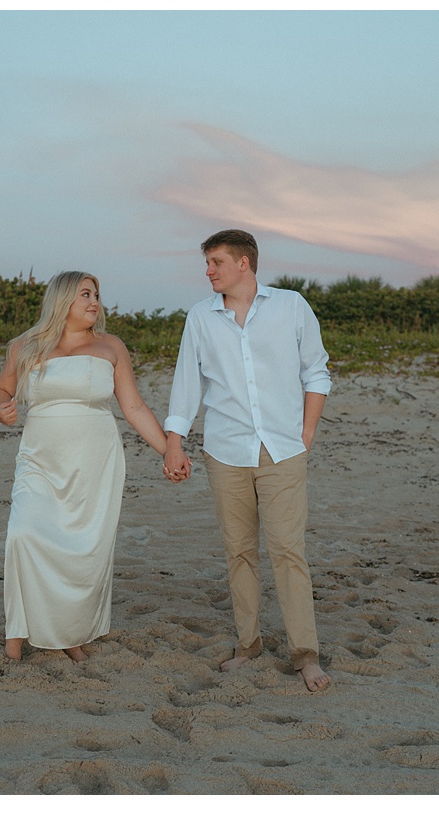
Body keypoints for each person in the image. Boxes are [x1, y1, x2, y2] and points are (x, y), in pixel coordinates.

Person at [162, 230, 332, 692]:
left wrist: (308, 430)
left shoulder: (292, 306)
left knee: (287, 551)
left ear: (244, 263)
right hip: (225, 450)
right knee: (239, 551)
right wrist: (173, 441)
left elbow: (316, 369)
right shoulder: (200, 317)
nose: (208, 270)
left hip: (283, 449)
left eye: (216, 261)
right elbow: (187, 384)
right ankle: (248, 646)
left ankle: (305, 654)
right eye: (207, 263)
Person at [0, 271, 169, 662]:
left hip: (94, 462)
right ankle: (16, 635)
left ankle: (69, 633)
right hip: (40, 459)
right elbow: (1, 389)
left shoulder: (110, 347)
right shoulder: (25, 346)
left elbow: (134, 407)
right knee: (23, 535)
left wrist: (169, 449)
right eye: (85, 294)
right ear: (62, 300)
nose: (94, 302)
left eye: (97, 295)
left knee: (82, 551)